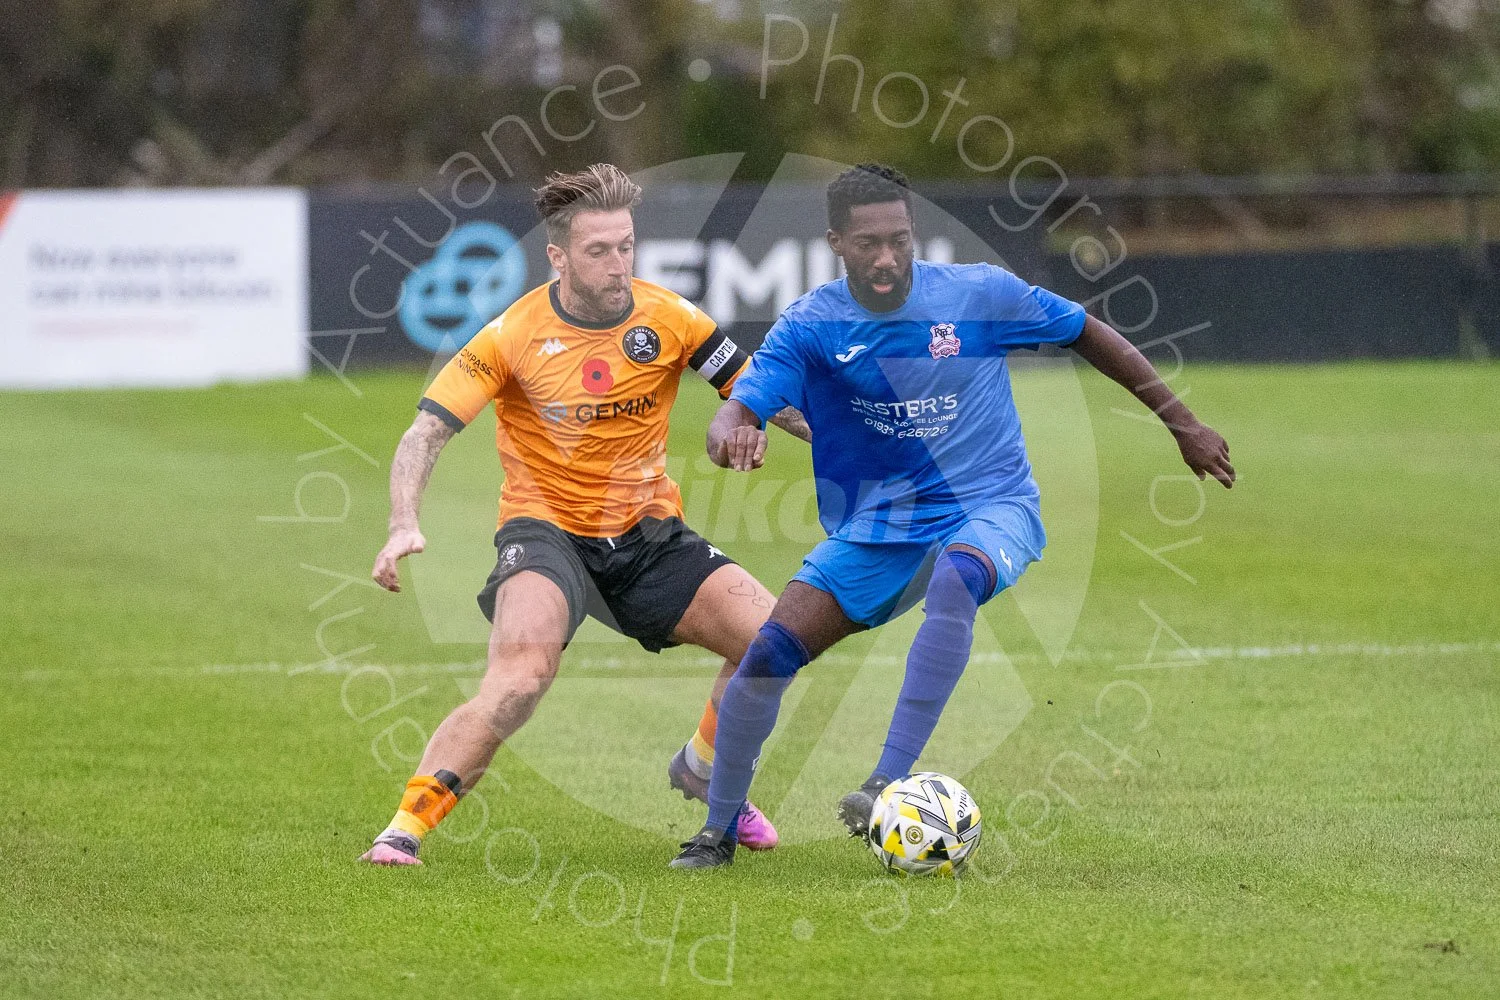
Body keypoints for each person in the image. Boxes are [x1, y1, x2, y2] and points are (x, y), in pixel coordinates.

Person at [671, 163, 1234, 869]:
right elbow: (744, 400)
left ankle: (884, 780)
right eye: (869, 244)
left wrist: (1181, 423)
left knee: (956, 578)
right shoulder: (813, 325)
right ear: (836, 243)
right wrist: (730, 427)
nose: (887, 258)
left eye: (900, 240)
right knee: (768, 655)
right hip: (878, 528)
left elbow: (1086, 330)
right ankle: (715, 834)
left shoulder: (976, 295)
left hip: (991, 504)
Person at [359, 163, 810, 866]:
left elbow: (765, 394)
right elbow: (426, 432)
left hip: (649, 532)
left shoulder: (671, 318)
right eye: (599, 251)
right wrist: (402, 522)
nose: (617, 264)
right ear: (559, 256)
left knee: (774, 640)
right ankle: (404, 830)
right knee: (520, 676)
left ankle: (700, 766)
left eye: (626, 246)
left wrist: (861, 445)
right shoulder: (512, 335)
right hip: (546, 534)